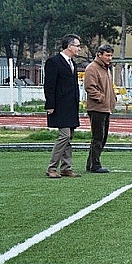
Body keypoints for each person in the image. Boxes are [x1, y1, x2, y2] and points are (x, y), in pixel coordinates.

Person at [44, 34, 82, 178]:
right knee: (64, 135)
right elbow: (49, 85)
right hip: (59, 105)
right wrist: (50, 104)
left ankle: (66, 168)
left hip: (71, 105)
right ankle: (52, 168)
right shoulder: (53, 62)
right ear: (69, 46)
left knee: (69, 136)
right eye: (77, 46)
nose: (79, 49)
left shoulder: (73, 63)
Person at [84, 44, 117, 173]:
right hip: (97, 108)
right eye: (107, 55)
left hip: (106, 107)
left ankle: (91, 163)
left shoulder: (106, 69)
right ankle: (95, 165)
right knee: (98, 137)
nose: (110, 58)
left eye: (111, 55)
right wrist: (101, 98)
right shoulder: (92, 69)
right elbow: (90, 87)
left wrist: (112, 98)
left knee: (102, 137)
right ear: (99, 54)